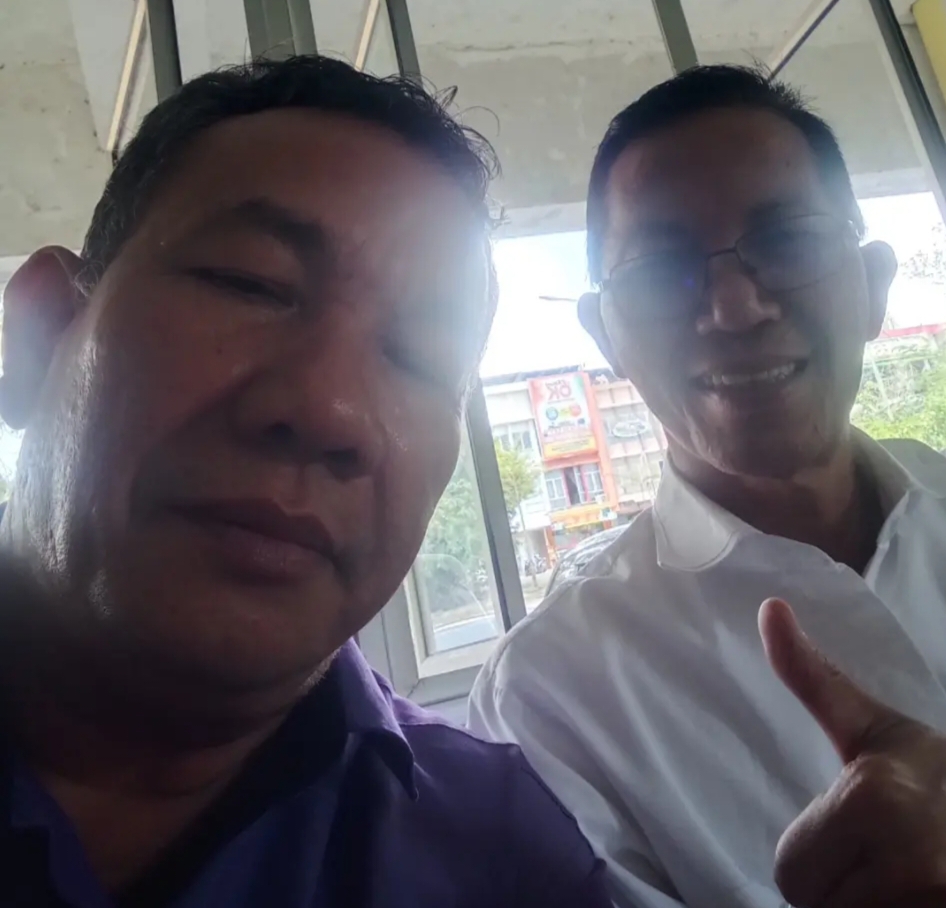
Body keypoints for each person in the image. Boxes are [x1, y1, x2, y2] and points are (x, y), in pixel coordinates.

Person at [0, 56, 611, 907]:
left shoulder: (506, 862)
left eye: (420, 357)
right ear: (42, 331)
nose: (330, 410)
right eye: (250, 283)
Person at [469, 64, 946, 908]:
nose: (734, 308)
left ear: (873, 286)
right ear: (608, 337)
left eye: (787, 241)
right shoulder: (551, 696)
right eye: (663, 270)